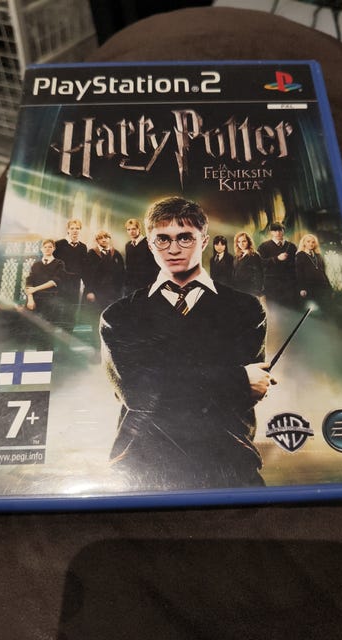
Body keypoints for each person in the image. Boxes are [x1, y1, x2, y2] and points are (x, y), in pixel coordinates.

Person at [100, 196, 275, 490]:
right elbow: (140, 393)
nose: (173, 249)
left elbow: (240, 399)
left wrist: (163, 375)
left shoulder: (246, 309)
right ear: (149, 244)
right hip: (143, 465)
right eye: (162, 239)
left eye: (185, 237)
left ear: (204, 241)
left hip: (228, 461)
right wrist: (237, 380)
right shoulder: (119, 316)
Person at [53, 219, 87, 331]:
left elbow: (83, 266)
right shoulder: (58, 244)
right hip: (60, 282)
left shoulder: (82, 247)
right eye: (72, 228)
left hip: (75, 283)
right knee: (59, 307)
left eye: (77, 228)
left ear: (80, 230)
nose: (75, 231)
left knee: (72, 307)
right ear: (68, 230)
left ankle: (69, 333)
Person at [258, 222, 298, 308]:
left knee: (291, 309)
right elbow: (260, 263)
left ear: (283, 231)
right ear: (271, 232)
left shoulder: (291, 246)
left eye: (280, 230)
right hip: (272, 286)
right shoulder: (264, 246)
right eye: (275, 231)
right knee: (275, 311)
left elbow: (296, 265)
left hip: (289, 286)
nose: (278, 233)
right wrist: (277, 259)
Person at [25, 239, 65, 322]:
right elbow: (29, 282)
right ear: (41, 249)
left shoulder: (59, 263)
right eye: (45, 247)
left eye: (50, 247)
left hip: (50, 299)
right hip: (34, 299)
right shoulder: (36, 265)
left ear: (54, 248)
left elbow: (54, 281)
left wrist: (35, 289)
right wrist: (30, 299)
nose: (47, 249)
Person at [296, 233, 333, 311]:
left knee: (326, 308)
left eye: (313, 242)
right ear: (304, 243)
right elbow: (299, 273)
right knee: (313, 310)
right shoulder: (300, 255)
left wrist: (329, 287)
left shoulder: (318, 256)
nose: (311, 244)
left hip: (322, 286)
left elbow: (323, 272)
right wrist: (302, 288)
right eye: (308, 241)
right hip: (310, 287)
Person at [124, 218, 160, 294]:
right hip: (132, 285)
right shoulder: (128, 245)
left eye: (134, 229)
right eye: (129, 229)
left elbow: (156, 265)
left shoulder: (148, 243)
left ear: (139, 229)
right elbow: (128, 266)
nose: (131, 231)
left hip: (147, 283)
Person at [232, 231, 263, 297]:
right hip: (237, 289)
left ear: (249, 242)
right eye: (239, 242)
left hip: (250, 290)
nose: (241, 244)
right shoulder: (236, 256)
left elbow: (259, 274)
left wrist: (257, 291)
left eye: (244, 241)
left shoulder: (254, 255)